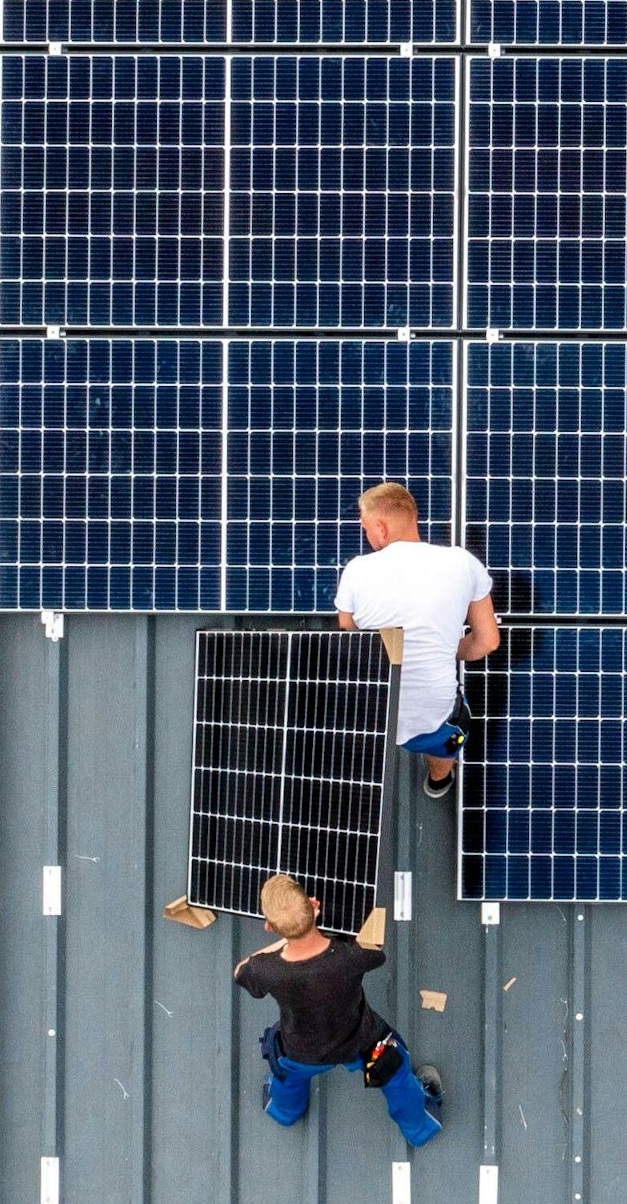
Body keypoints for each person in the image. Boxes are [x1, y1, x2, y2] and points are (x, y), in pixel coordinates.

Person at [234, 874, 443, 1146]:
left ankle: (284, 1112)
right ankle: (420, 1128)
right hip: (361, 1041)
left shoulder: (267, 970)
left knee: (286, 1073)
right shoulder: (351, 957)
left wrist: (286, 938)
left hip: (301, 1051)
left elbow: (241, 971)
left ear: (269, 926)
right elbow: (376, 952)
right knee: (395, 1071)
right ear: (314, 905)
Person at [334, 483, 500, 797]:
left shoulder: (355, 571)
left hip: (370, 716)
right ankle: (439, 778)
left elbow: (349, 635)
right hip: (435, 721)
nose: (367, 536)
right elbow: (488, 642)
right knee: (455, 735)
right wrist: (446, 649)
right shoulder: (463, 563)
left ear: (381, 529)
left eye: (367, 528)